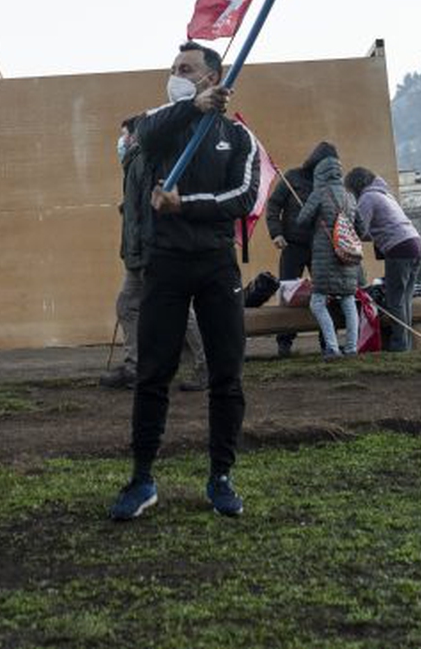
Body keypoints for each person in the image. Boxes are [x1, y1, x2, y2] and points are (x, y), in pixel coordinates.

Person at [108, 42, 260, 522]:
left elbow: (243, 196)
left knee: (226, 376)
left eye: (187, 69)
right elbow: (143, 137)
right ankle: (142, 478)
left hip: (217, 265)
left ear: (212, 78)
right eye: (174, 68)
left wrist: (185, 204)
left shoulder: (239, 138)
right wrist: (187, 107)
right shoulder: (159, 120)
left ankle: (221, 478)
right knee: (153, 374)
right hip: (165, 265)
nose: (176, 73)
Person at [104, 115, 206, 393]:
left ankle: (204, 366)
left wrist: (145, 249)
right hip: (140, 255)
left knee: (178, 311)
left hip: (152, 252)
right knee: (128, 305)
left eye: (125, 135)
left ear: (137, 136)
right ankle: (135, 367)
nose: (122, 142)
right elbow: (142, 207)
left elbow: (156, 206)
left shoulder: (144, 160)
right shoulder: (134, 164)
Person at [263, 141, 337, 358]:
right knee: (288, 294)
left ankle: (327, 342)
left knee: (325, 293)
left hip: (321, 247)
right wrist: (276, 233)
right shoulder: (292, 177)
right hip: (292, 245)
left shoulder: (329, 184)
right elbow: (273, 206)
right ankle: (284, 342)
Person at [347, 167, 421, 352]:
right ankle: (404, 343)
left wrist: (343, 230)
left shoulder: (367, 198)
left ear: (357, 186)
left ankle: (400, 345)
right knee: (405, 299)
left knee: (395, 300)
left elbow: (360, 229)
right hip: (415, 244)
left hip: (399, 248)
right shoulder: (385, 194)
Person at [300, 154, 366, 357]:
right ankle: (352, 347)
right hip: (347, 257)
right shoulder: (350, 196)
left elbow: (302, 220)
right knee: (348, 300)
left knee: (317, 302)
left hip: (324, 257)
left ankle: (332, 346)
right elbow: (361, 229)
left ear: (320, 174)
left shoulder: (319, 194)